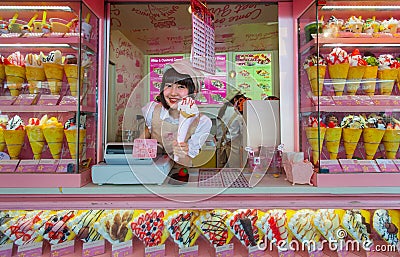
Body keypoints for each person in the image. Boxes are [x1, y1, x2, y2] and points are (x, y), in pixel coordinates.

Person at [141, 59, 212, 167]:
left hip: (179, 175)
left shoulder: (201, 122)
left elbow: (188, 162)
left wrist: (182, 153)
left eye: (181, 87)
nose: (173, 93)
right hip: (151, 172)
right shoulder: (151, 111)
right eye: (168, 85)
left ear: (194, 93)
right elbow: (143, 140)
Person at [216, 93, 249, 168]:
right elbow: (243, 133)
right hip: (233, 148)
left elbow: (218, 132)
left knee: (221, 174)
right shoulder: (238, 114)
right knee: (233, 174)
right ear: (235, 100)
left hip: (221, 147)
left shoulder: (221, 111)